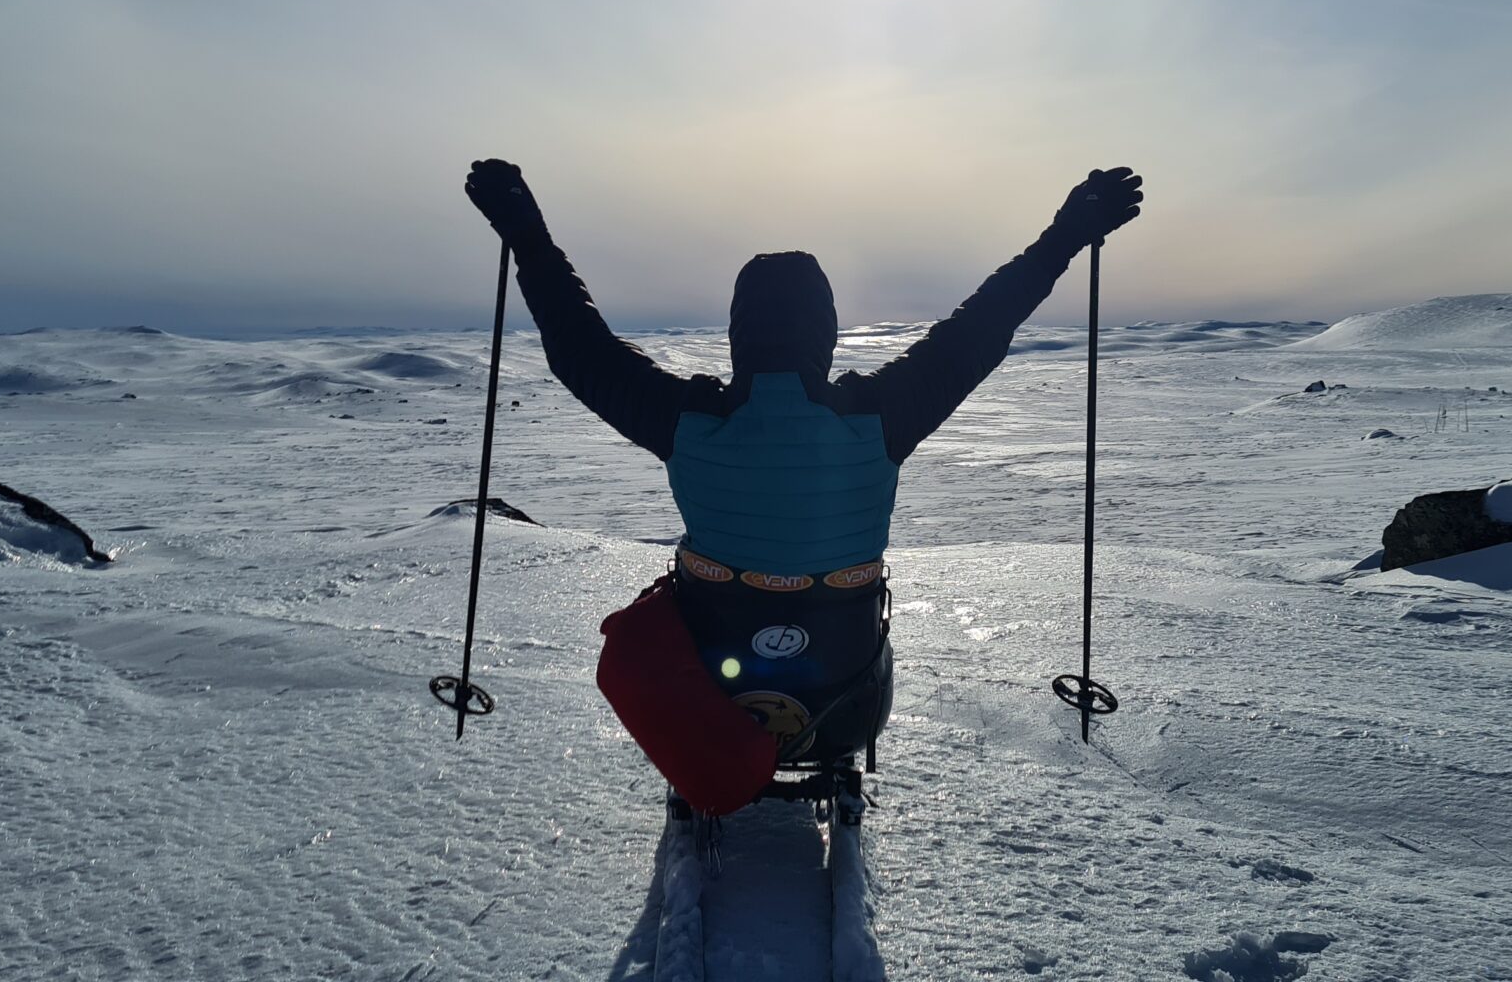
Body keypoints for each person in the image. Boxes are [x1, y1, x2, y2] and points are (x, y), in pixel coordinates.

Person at [464, 158, 1142, 800]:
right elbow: (983, 325)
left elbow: (578, 344)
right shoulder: (881, 416)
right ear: (827, 332)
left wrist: (525, 234)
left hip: (712, 674)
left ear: (738, 334)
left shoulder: (686, 420)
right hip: (846, 688)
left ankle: (715, 755)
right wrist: (1066, 237)